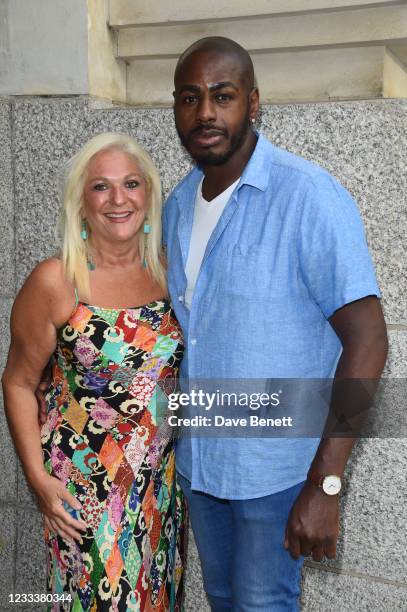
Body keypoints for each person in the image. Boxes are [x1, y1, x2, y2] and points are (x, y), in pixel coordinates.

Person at [161, 37, 388, 611]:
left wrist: (325, 484)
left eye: (223, 95)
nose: (206, 112)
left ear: (254, 103)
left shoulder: (307, 195)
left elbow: (368, 340)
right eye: (191, 98)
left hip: (279, 473)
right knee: (223, 602)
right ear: (176, 109)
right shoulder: (177, 205)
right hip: (202, 465)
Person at [2, 133, 186, 611]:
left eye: (131, 183)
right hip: (84, 492)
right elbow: (19, 382)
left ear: (149, 194)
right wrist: (39, 480)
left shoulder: (171, 273)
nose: (119, 199)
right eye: (101, 187)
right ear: (81, 203)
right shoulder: (56, 281)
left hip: (157, 488)